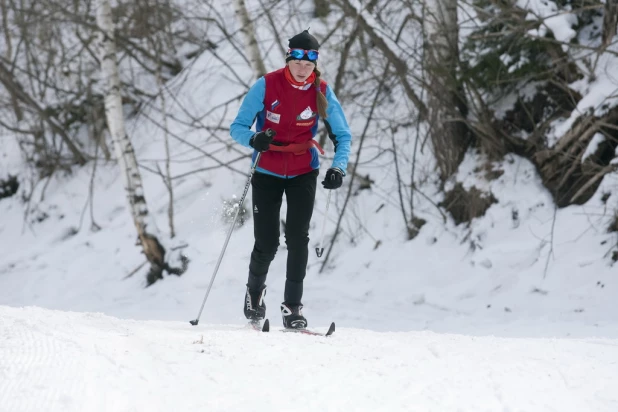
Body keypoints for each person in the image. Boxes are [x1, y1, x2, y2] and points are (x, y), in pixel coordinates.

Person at [230, 29, 352, 329]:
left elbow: (343, 135)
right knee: (267, 242)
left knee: (298, 238)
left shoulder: (321, 90)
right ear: (289, 59)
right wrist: (254, 138)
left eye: (308, 65)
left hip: (302, 171)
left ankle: (292, 308)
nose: (302, 69)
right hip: (267, 169)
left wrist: (338, 168)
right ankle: (254, 297)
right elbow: (237, 127)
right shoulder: (266, 85)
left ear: (314, 65)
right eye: (297, 62)